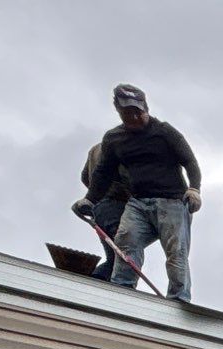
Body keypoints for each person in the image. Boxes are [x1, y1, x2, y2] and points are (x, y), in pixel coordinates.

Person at [73, 84, 201, 301]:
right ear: (118, 110)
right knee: (125, 243)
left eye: (138, 112)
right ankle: (122, 290)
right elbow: (102, 173)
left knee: (175, 251)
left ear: (146, 108)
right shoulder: (114, 139)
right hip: (138, 202)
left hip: (172, 202)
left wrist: (194, 188)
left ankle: (179, 297)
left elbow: (190, 161)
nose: (134, 117)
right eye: (128, 112)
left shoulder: (164, 132)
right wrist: (89, 200)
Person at [78, 140, 132, 281]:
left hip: (98, 209)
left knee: (114, 257)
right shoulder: (120, 147)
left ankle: (97, 283)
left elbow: (84, 177)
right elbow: (127, 177)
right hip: (116, 207)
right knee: (123, 256)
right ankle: (103, 287)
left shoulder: (95, 149)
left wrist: (96, 192)